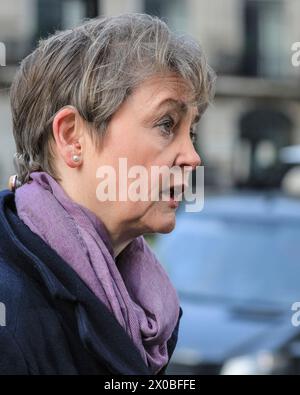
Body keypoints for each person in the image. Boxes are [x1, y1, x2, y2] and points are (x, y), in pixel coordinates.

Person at [0, 13, 214, 375]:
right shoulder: (12, 322)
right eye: (167, 124)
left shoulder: (145, 305)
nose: (193, 157)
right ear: (72, 137)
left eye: (190, 132)